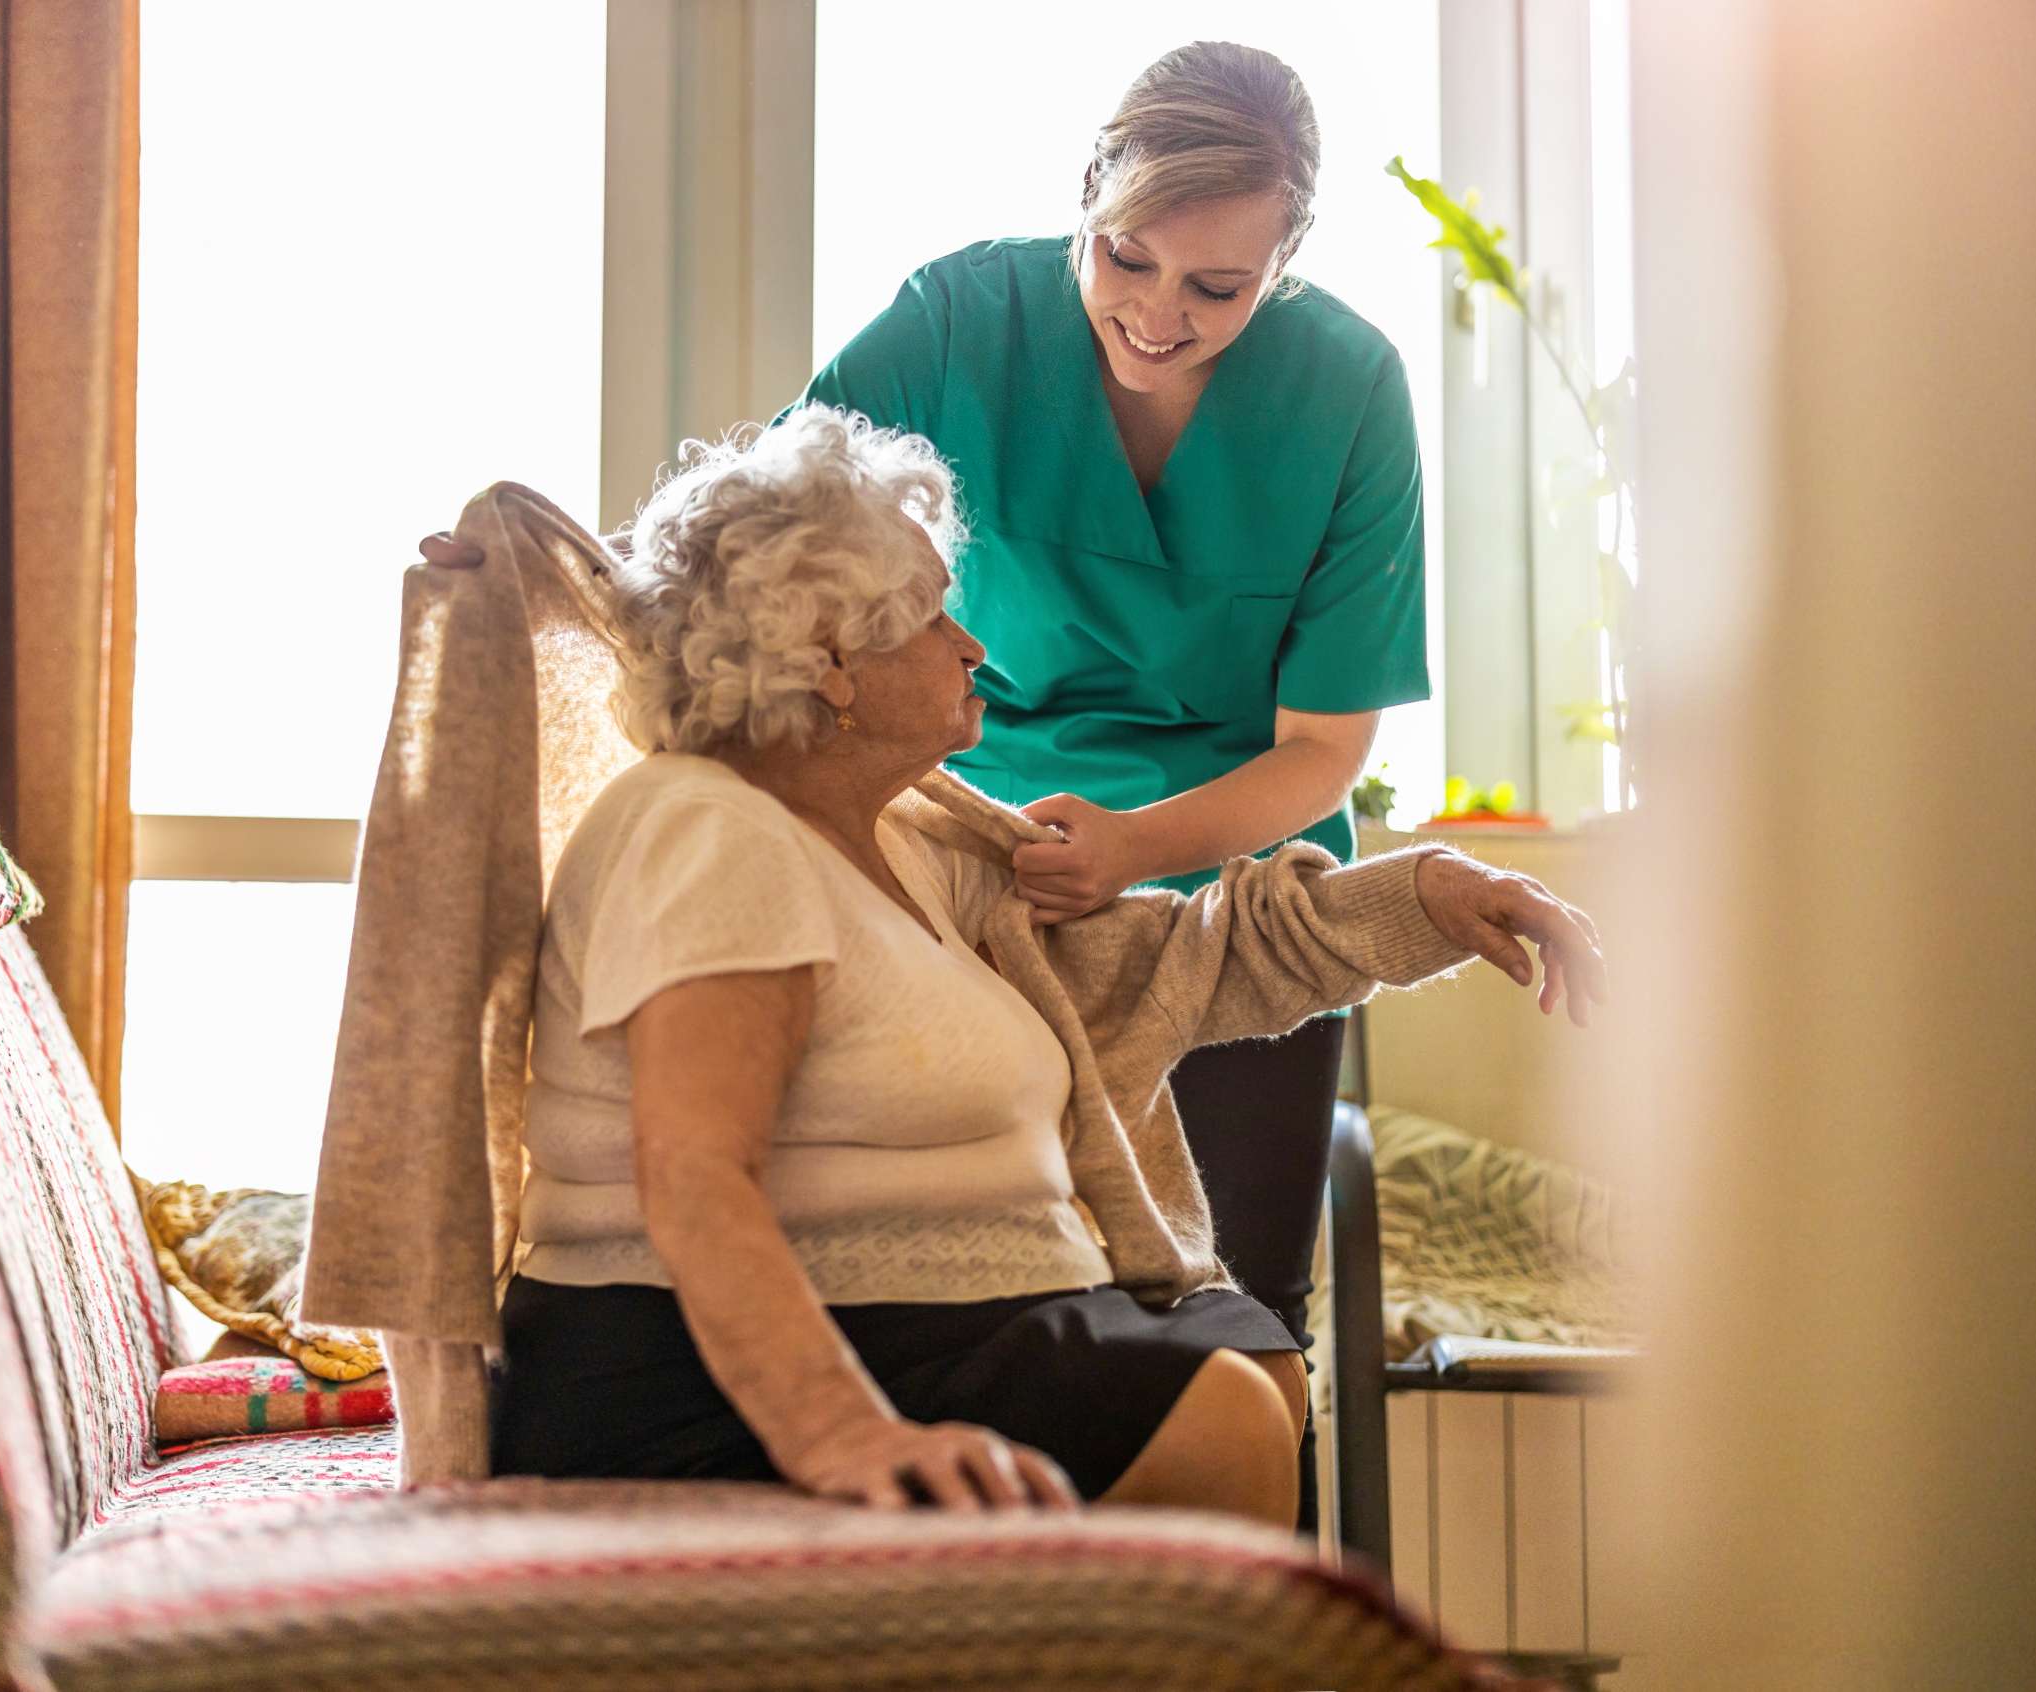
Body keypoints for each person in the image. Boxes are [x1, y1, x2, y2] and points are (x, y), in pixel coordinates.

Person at [482, 407, 1603, 1521]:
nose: (969, 647)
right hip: (689, 1368)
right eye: (929, 616)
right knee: (1216, 1416)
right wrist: (839, 1430)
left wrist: (1432, 895)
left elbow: (1182, 960)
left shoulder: (918, 848)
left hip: (933, 1321)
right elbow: (693, 1174)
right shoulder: (707, 828)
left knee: (1248, 1367)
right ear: (828, 662)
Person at [790, 41, 1424, 1526]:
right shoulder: (961, 317)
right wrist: (544, 581)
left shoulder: (1348, 389)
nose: (1156, 314)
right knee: (998, 1315)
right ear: (1084, 202)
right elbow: (766, 540)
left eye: (1218, 288)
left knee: (1245, 1325)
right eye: (1125, 256)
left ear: (1288, 258)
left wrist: (1140, 844)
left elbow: (1325, 749)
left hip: (1238, 900)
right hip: (977, 876)